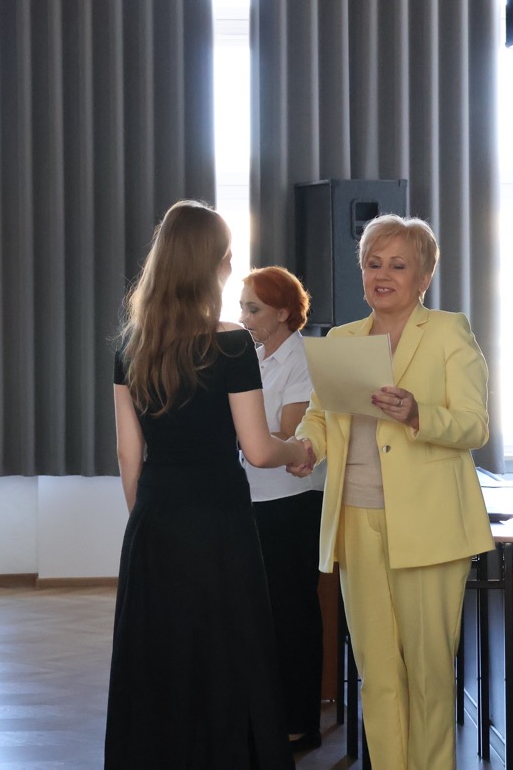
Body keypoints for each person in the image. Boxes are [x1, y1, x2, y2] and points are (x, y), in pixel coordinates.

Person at [105, 200, 312, 770]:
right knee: (227, 652)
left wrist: (147, 519)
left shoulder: (131, 345)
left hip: (155, 520)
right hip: (220, 522)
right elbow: (260, 449)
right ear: (216, 265)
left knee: (161, 655)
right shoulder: (232, 344)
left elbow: (129, 456)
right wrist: (301, 451)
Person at [291, 214, 493, 770]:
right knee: (376, 675)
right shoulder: (341, 339)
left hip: (430, 525)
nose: (382, 275)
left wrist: (419, 414)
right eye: (373, 263)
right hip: (355, 519)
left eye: (398, 265)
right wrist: (306, 446)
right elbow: (320, 416)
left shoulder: (449, 331)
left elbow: (475, 425)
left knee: (429, 675)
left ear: (423, 276)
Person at [238, 266, 326, 752]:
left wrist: (241, 435)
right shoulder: (251, 357)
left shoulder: (302, 358)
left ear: (283, 312)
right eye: (242, 307)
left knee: (293, 612)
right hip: (253, 496)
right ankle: (266, 717)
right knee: (261, 615)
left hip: (292, 501)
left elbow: (291, 434)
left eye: (253, 309)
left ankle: (300, 721)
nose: (244, 317)